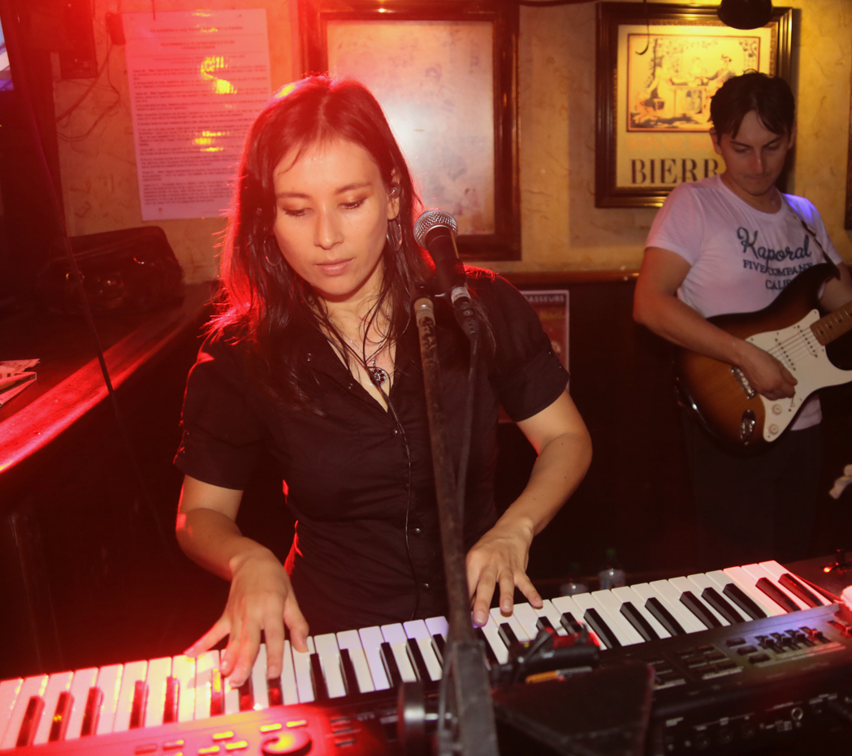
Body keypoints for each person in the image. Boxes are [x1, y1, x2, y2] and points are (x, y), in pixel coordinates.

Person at [174, 75, 592, 688]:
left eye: (350, 203)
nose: (326, 237)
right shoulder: (242, 352)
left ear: (393, 196)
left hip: (478, 625)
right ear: (267, 217)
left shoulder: (475, 308)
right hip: (332, 642)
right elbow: (200, 514)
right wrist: (246, 559)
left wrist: (516, 528)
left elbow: (566, 438)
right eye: (297, 210)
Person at [632, 72, 852, 569]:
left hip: (803, 419)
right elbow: (649, 303)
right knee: (741, 580)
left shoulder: (803, 215)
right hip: (732, 413)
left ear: (792, 136)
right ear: (716, 141)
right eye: (741, 149)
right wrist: (746, 356)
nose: (758, 165)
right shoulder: (694, 203)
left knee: (793, 571)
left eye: (772, 147)